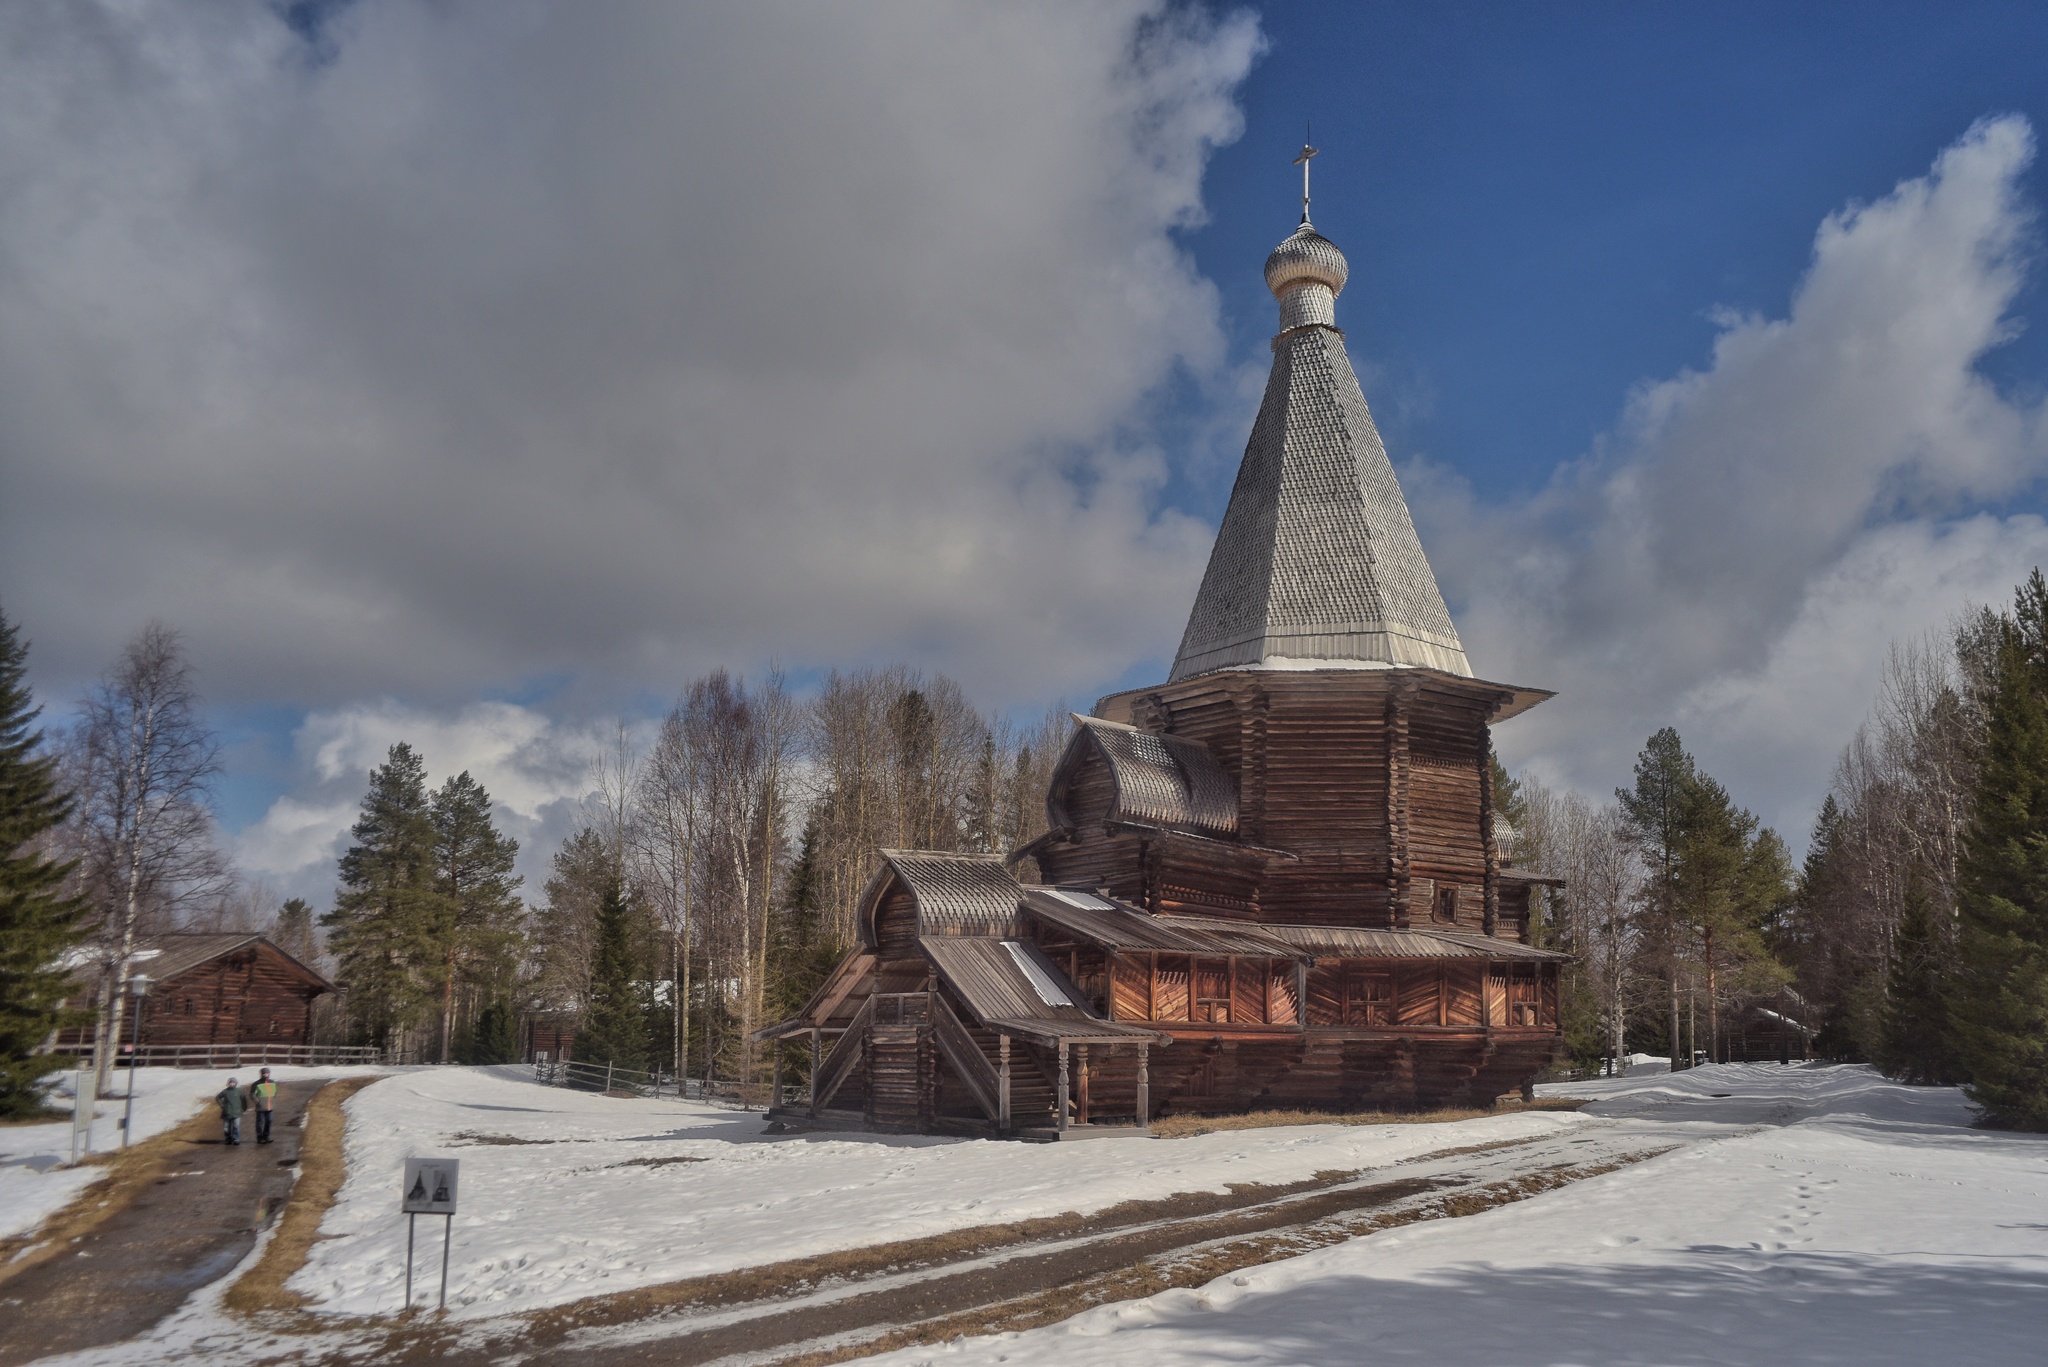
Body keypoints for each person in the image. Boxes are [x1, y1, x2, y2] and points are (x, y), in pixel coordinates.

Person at [248, 1068, 279, 1144]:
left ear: (269, 1074)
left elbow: (276, 1092)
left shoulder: (273, 1083)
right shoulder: (256, 1084)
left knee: (269, 1121)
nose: (265, 1075)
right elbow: (252, 1094)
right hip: (261, 1107)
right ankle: (260, 1137)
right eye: (264, 1073)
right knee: (260, 1122)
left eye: (267, 1073)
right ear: (261, 1074)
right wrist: (257, 1101)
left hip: (270, 1106)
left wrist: (274, 1100)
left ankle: (266, 1136)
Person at [216, 1075, 248, 1146]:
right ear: (228, 1083)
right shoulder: (225, 1091)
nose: (232, 1084)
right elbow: (218, 1098)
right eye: (230, 1082)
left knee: (236, 1126)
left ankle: (236, 1139)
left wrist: (244, 1108)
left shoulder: (239, 1091)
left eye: (233, 1082)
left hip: (237, 1112)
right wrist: (222, 1106)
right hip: (227, 1112)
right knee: (226, 1127)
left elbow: (243, 1099)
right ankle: (228, 1139)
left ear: (236, 1083)